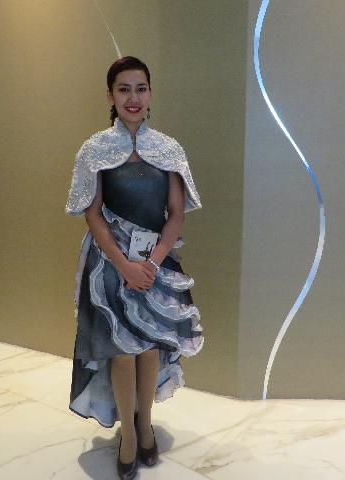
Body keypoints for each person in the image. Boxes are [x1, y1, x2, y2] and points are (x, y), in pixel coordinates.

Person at [65, 56, 204, 479]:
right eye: (123, 89)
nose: (133, 97)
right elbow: (92, 214)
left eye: (140, 88)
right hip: (110, 265)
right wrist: (124, 265)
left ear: (150, 94)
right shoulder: (94, 149)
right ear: (110, 96)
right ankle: (128, 433)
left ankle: (145, 425)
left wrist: (152, 264)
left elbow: (176, 214)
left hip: (156, 263)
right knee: (121, 352)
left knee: (149, 346)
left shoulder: (168, 149)